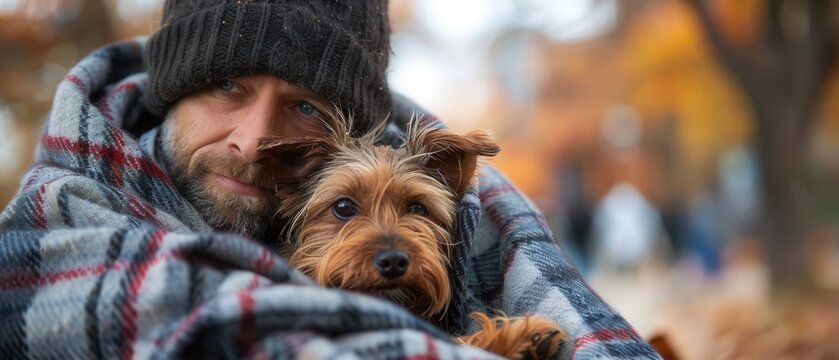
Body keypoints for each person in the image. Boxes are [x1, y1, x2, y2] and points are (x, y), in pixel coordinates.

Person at [0, 1, 658, 358]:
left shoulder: (483, 217)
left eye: (305, 105)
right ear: (172, 91)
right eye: (225, 85)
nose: (256, 139)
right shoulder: (66, 220)